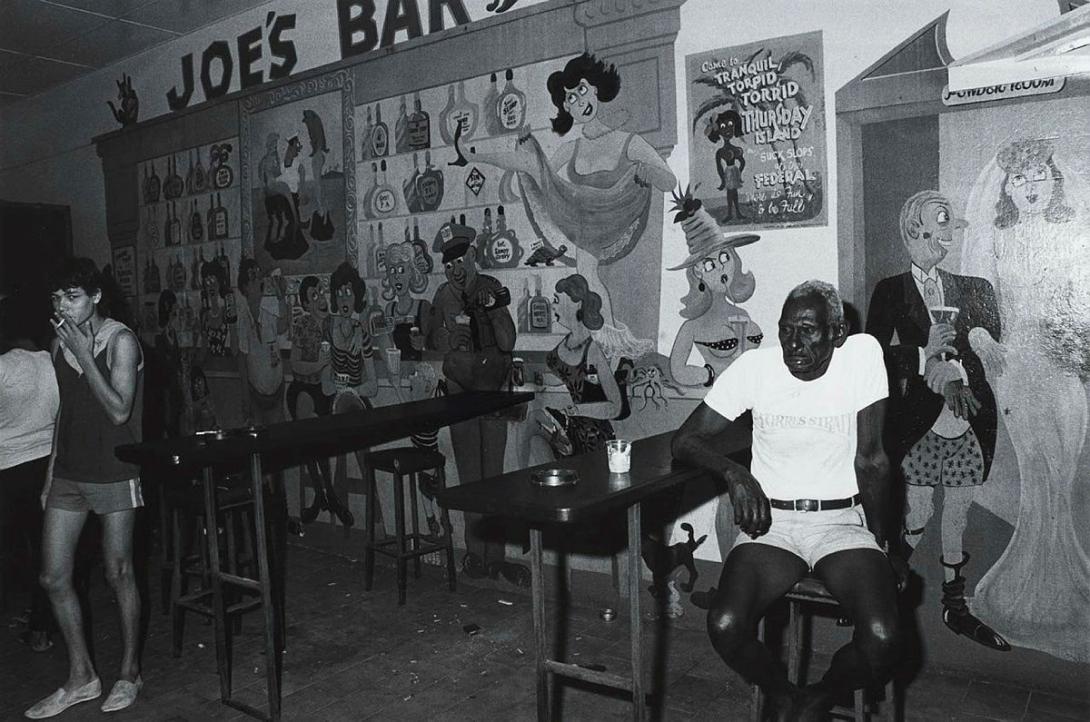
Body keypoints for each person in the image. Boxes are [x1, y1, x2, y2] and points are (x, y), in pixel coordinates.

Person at [672, 280, 902, 721]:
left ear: (838, 332)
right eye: (785, 330)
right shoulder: (755, 368)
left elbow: (872, 461)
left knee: (882, 637)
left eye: (808, 331)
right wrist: (734, 473)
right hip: (772, 525)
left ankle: (819, 696)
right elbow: (685, 441)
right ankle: (782, 693)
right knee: (724, 624)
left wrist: (885, 545)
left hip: (842, 523)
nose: (793, 344)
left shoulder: (861, 355)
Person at [960, 137, 1090, 661]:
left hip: (1063, 370)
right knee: (1037, 477)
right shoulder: (996, 240)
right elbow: (976, 309)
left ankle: (1062, 586)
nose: (1030, 186)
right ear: (1006, 188)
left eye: (1039, 175)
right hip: (1016, 368)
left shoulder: (1076, 233)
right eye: (1019, 178)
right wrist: (983, 342)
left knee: (1063, 470)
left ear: (1054, 180)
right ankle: (1030, 597)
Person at [866, 190, 1007, 651]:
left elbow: (990, 336)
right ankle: (882, 583)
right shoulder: (890, 290)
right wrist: (921, 352)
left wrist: (983, 343)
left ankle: (955, 606)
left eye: (950, 225)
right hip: (921, 423)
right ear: (914, 231)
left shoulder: (974, 287)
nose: (947, 234)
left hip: (966, 418)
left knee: (958, 515)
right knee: (921, 510)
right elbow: (870, 355)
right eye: (939, 224)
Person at [458, 52, 675, 329]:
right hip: (583, 225)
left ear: (596, 88)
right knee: (587, 276)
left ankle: (611, 338)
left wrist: (648, 172)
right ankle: (606, 338)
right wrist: (474, 157)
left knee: (597, 279)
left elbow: (669, 181)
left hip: (619, 215)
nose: (579, 101)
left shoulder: (629, 142)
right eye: (570, 97)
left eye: (581, 90)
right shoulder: (571, 148)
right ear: (566, 109)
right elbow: (534, 166)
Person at [26, 258, 145, 717]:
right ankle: (82, 677)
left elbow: (118, 411)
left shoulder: (121, 341)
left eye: (72, 297)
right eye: (56, 299)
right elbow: (65, 416)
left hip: (115, 472)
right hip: (70, 473)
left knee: (119, 573)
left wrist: (82, 353)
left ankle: (130, 672)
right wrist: (52, 474)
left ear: (95, 297)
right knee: (52, 575)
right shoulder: (58, 346)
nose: (63, 307)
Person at [427, 218, 529, 586]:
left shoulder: (490, 289)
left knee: (494, 479)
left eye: (461, 261)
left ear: (472, 255)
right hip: (460, 397)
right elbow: (435, 343)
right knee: (470, 480)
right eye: (449, 265)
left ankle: (496, 556)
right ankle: (475, 555)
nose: (456, 270)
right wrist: (448, 335)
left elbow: (507, 341)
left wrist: (491, 309)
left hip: (494, 396)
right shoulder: (442, 297)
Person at [0, 295, 59, 654]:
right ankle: (41, 628)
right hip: (47, 467)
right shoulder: (51, 363)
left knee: (11, 552)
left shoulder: (3, 367)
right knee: (44, 551)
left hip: (7, 469)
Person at [537, 273, 623, 455]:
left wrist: (576, 410)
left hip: (593, 435)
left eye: (557, 300)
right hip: (570, 427)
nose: (553, 305)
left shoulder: (593, 350)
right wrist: (533, 377)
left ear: (575, 303)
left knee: (533, 421)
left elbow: (615, 407)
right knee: (532, 421)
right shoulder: (564, 344)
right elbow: (562, 377)